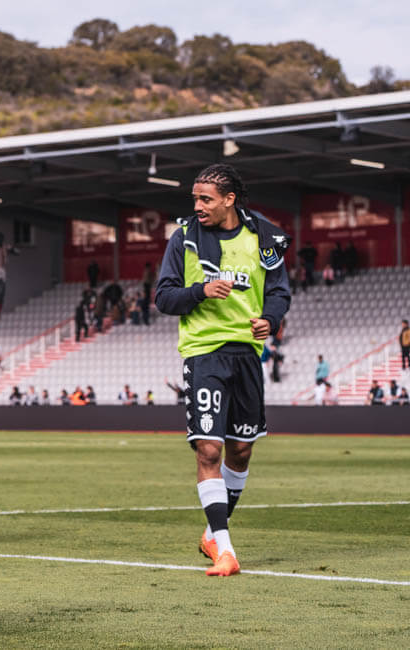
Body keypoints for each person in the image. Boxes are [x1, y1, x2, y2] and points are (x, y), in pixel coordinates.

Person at [154, 163, 291, 578]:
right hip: (204, 352)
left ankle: (211, 534)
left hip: (247, 353)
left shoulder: (263, 238)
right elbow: (164, 297)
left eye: (206, 199)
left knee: (241, 450)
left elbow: (279, 291)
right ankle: (225, 548)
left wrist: (271, 319)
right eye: (195, 198)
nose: (197, 206)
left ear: (229, 200)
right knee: (209, 449)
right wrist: (200, 291)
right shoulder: (184, 239)